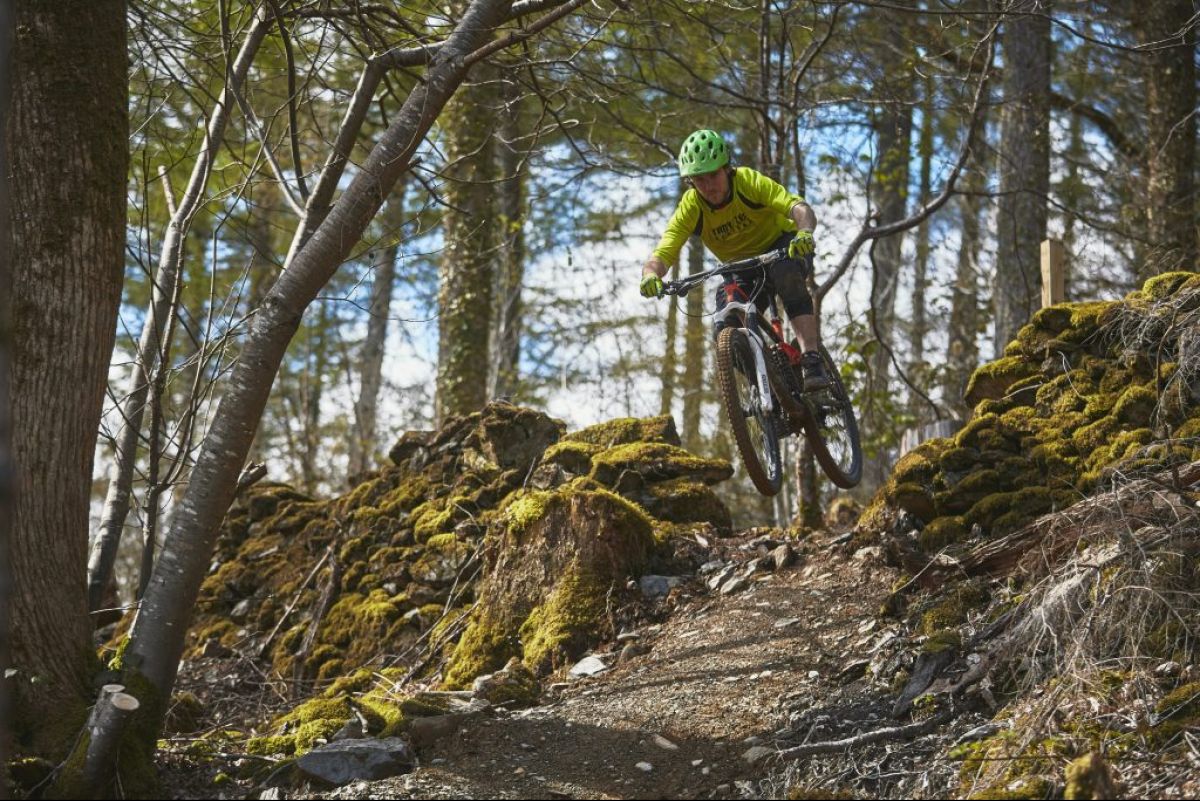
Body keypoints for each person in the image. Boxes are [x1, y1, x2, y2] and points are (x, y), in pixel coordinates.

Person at [639, 129, 830, 392]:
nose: (709, 186)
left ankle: (811, 359)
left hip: (782, 245)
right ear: (690, 182)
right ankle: (770, 389)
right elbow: (663, 252)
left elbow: (798, 207)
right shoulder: (692, 206)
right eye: (699, 179)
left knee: (786, 273)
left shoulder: (747, 182)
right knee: (724, 328)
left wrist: (805, 232)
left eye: (713, 175)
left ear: (727, 169)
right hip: (741, 268)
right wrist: (650, 275)